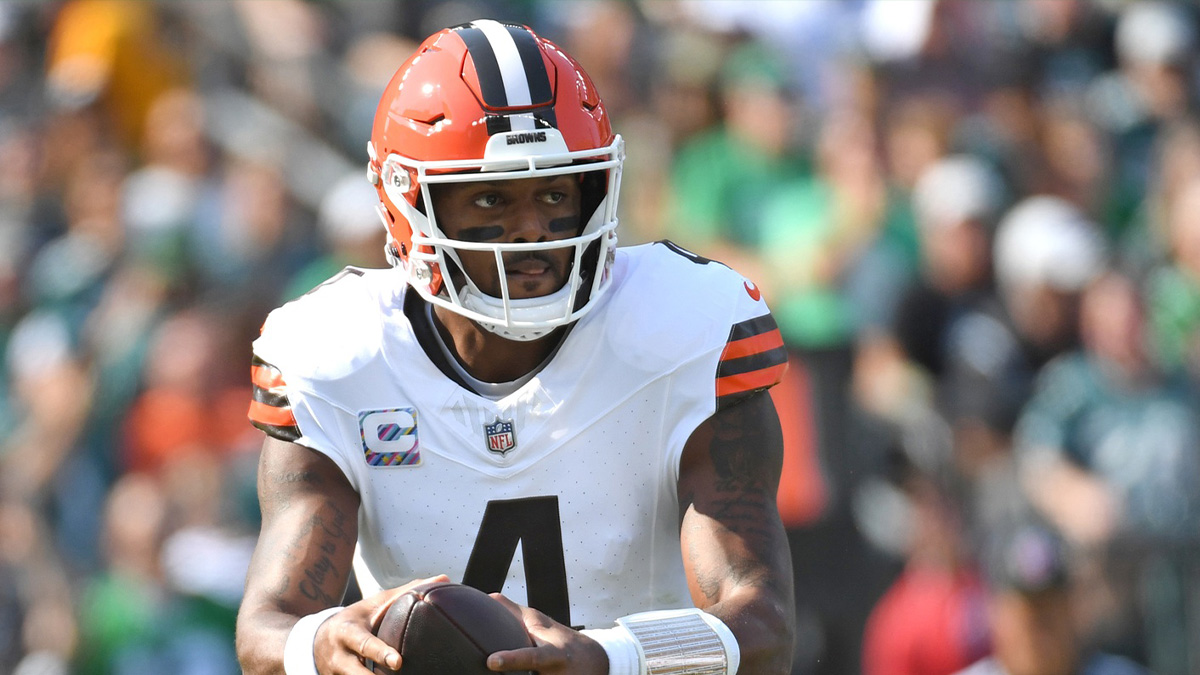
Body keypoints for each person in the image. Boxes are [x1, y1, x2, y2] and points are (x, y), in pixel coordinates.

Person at [234, 19, 796, 675]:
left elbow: (765, 626)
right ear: (408, 205)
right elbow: (265, 629)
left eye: (555, 192)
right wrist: (321, 640)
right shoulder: (338, 357)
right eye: (492, 197)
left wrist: (611, 654)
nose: (531, 231)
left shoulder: (682, 329)